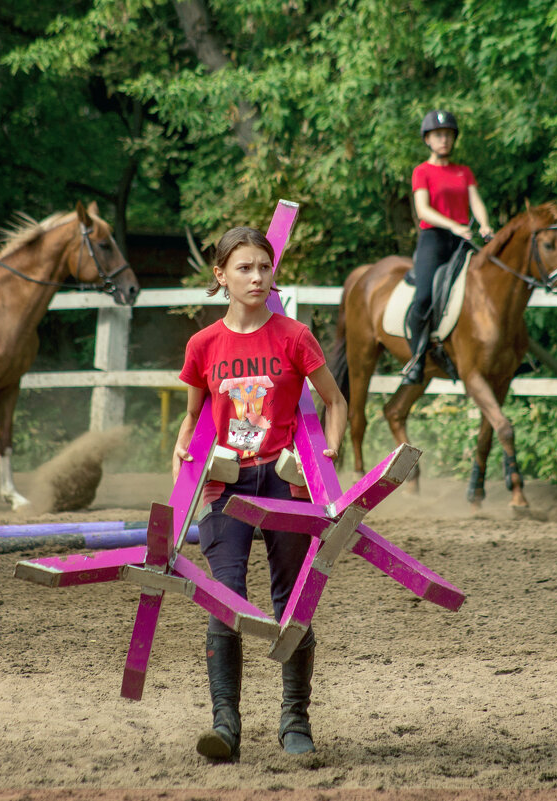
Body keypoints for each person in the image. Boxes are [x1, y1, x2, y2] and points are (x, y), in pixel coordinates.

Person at [172, 226, 348, 761]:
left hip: (284, 480)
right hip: (226, 485)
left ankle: (296, 722)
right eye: (244, 268)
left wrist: (330, 451)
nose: (256, 277)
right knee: (223, 602)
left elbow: (335, 403)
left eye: (264, 268)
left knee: (294, 602)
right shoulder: (203, 345)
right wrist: (183, 456)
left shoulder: (295, 336)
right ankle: (225, 726)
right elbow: (191, 420)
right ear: (221, 276)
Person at [403, 109, 493, 385]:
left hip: (461, 241)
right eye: (438, 135)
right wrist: (453, 224)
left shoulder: (463, 172)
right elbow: (423, 210)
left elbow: (475, 202)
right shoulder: (422, 171)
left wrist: (486, 225)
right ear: (428, 140)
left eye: (448, 135)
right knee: (424, 298)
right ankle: (417, 359)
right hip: (434, 241)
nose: (444, 140)